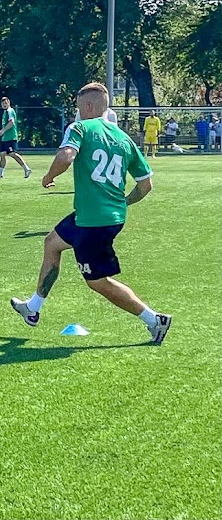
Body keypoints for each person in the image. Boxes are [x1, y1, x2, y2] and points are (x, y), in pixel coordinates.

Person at [10, 82, 171, 344]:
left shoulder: (80, 128)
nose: (77, 113)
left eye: (78, 108)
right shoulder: (124, 138)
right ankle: (33, 308)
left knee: (97, 281)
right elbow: (145, 184)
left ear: (86, 106)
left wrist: (49, 176)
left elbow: (66, 156)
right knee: (52, 243)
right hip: (95, 216)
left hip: (94, 222)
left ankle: (155, 320)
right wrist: (123, 202)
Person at [0, 97, 31, 178]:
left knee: (13, 154)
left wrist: (3, 131)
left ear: (8, 103)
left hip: (11, 137)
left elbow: (11, 122)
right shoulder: (5, 112)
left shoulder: (10, 111)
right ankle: (0, 173)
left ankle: (27, 169)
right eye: (2, 104)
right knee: (2, 154)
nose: (4, 105)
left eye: (5, 103)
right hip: (5, 138)